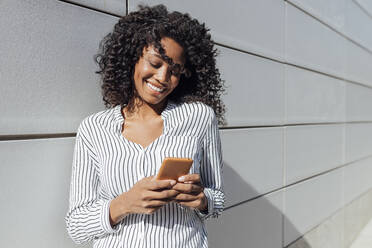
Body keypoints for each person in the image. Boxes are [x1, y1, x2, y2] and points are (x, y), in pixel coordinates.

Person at [65, 4, 225, 248]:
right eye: (155, 63)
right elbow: (76, 226)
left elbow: (218, 199)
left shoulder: (199, 118)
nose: (162, 78)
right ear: (132, 59)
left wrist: (202, 198)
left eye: (175, 70)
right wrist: (124, 203)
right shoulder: (94, 128)